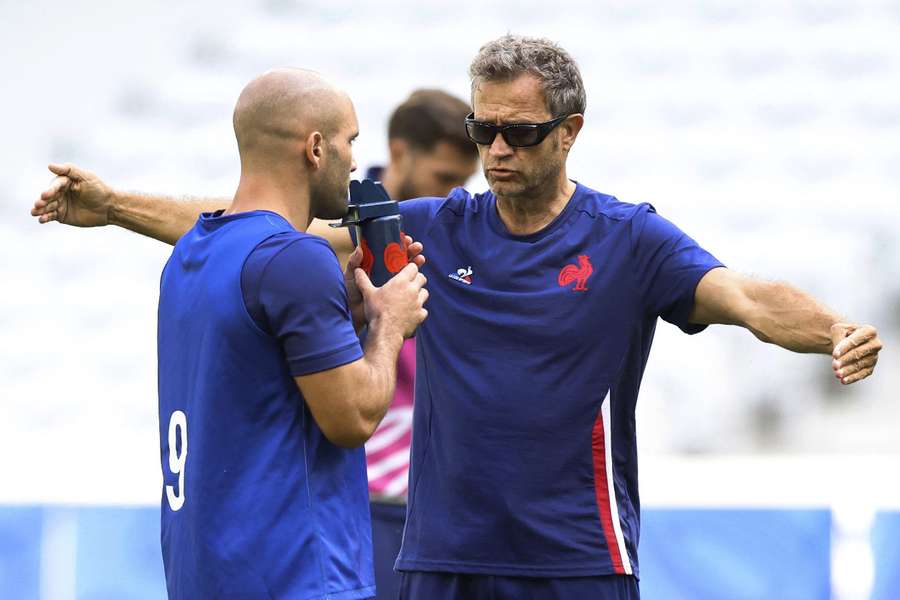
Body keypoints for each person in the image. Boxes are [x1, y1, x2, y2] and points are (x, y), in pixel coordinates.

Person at [32, 37, 883, 600]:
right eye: (484, 130)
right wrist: (114, 207)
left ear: (569, 132)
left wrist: (833, 328)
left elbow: (743, 296)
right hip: (439, 563)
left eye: (519, 131)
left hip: (576, 561)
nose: (497, 150)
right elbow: (260, 229)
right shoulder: (431, 228)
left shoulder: (630, 240)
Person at [133, 68, 428, 599]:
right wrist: (390, 323)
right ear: (315, 148)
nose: (356, 160)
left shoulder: (192, 251)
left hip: (204, 574)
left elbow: (260, 370)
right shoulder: (295, 257)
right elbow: (352, 418)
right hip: (294, 576)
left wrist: (351, 315)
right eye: (350, 140)